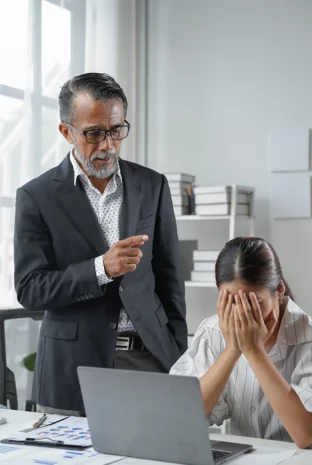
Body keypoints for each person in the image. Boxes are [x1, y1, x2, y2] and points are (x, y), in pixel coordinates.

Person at [14, 72, 187, 415]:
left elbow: (170, 277)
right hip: (73, 370)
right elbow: (30, 289)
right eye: (94, 133)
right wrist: (100, 269)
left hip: (149, 358)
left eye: (116, 130)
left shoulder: (153, 185)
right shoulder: (36, 196)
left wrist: (179, 351)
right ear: (66, 131)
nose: (108, 144)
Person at [171, 237, 312, 448]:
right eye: (231, 302)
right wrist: (231, 351)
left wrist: (253, 351)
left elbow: (305, 435)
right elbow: (180, 415)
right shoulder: (211, 333)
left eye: (253, 304)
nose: (243, 315)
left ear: (279, 291)